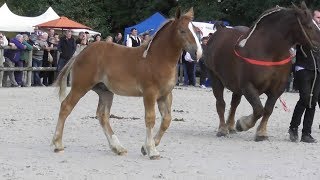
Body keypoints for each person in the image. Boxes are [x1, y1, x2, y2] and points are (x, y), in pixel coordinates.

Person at [288, 10, 320, 143]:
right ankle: (293, 127)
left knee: (313, 101)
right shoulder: (303, 30)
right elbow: (290, 44)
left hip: (317, 69)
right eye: (318, 17)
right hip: (303, 67)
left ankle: (306, 133)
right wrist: (291, 52)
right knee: (305, 98)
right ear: (312, 18)